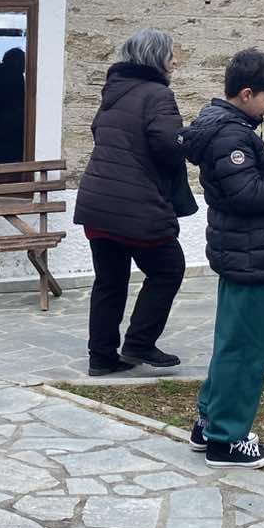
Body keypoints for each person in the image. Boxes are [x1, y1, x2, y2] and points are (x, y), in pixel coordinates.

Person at [180, 49, 264, 468]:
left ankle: (208, 424)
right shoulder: (232, 137)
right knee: (246, 349)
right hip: (248, 254)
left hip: (242, 251)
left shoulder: (226, 128)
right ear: (246, 94)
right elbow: (249, 194)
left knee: (232, 343)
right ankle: (227, 439)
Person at [74, 28, 190, 376]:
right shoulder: (157, 94)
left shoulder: (114, 91)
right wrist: (190, 139)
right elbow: (168, 145)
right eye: (171, 54)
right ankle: (140, 342)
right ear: (157, 58)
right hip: (134, 205)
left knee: (109, 281)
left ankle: (101, 356)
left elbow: (101, 132)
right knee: (168, 269)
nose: (175, 61)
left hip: (98, 203)